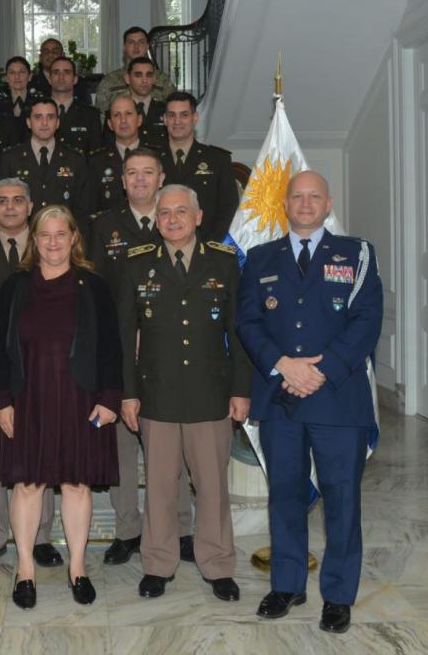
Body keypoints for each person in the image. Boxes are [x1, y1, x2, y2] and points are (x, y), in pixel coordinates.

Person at [235, 170, 382, 634]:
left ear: (328, 202)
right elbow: (248, 323)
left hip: (337, 400)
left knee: (342, 501)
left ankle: (337, 595)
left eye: (314, 196)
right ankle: (287, 584)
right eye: (297, 196)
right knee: (284, 497)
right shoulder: (260, 258)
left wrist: (320, 371)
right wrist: (284, 365)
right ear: (285, 203)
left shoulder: (356, 254)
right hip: (281, 400)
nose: (305, 203)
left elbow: (366, 321)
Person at [117, 185, 251, 602]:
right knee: (159, 486)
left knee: (212, 485)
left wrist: (241, 390)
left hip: (211, 393)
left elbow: (239, 331)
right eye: (164, 214)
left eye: (181, 212)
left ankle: (217, 564)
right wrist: (128, 393)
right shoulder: (137, 265)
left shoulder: (225, 263)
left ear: (198, 216)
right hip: (157, 393)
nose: (172, 219)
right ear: (155, 221)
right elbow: (125, 337)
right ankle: (158, 563)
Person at [0, 205, 122, 609]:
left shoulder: (93, 286)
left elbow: (111, 348)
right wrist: (0, 402)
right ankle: (25, 570)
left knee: (77, 484)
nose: (52, 242)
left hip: (81, 400)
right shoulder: (15, 287)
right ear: (34, 239)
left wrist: (110, 399)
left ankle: (77, 568)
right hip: (27, 399)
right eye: (44, 235)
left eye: (60, 234)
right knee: (28, 485)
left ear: (73, 239)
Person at [87, 149, 196, 566]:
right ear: (122, 180)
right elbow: (95, 289)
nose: (140, 180)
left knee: (175, 445)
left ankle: (181, 528)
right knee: (123, 447)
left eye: (148, 172)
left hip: (171, 351)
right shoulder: (105, 226)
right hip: (119, 350)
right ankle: (128, 530)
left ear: (161, 176)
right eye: (132, 173)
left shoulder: (177, 218)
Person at [0, 178, 64, 571]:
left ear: (31, 206)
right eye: (2, 201)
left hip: (46, 374)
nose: (10, 207)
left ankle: (41, 536)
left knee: (45, 457)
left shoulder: (50, 245)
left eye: (18, 201)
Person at [0, 98, 89, 234]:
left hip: (62, 240)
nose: (44, 123)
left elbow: (83, 210)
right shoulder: (10, 158)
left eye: (50, 117)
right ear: (29, 122)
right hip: (24, 239)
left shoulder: (75, 159)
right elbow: (2, 207)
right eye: (38, 117)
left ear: (57, 123)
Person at [158, 91, 240, 241]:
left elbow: (229, 207)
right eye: (171, 115)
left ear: (194, 118)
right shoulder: (152, 159)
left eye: (184, 115)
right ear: (164, 120)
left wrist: (209, 245)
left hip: (206, 247)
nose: (177, 121)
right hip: (161, 247)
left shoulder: (217, 159)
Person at [95, 26, 176, 117]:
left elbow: (174, 111)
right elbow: (100, 115)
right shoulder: (110, 80)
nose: (136, 47)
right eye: (131, 42)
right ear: (124, 47)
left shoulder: (162, 79)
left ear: (147, 46)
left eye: (141, 42)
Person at [89, 95, 148, 216]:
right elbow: (90, 208)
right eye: (117, 115)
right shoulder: (95, 161)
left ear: (139, 120)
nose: (123, 120)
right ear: (110, 124)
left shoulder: (155, 157)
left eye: (128, 114)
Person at [49, 56, 103, 155]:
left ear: (75, 79)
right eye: (56, 72)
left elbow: (96, 156)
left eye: (66, 72)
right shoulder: (36, 111)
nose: (61, 77)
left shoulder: (90, 115)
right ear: (50, 79)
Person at [124, 57, 169, 147]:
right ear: (127, 79)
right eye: (138, 75)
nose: (144, 80)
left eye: (149, 75)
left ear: (154, 79)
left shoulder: (166, 111)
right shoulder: (117, 113)